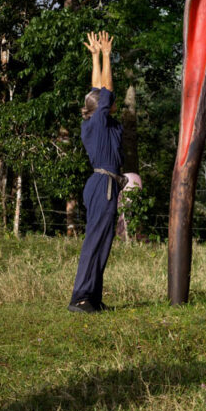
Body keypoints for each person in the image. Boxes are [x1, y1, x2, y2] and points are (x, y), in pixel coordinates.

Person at [67, 30, 126, 314]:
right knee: (94, 240)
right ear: (101, 107)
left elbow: (96, 92)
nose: (110, 99)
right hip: (102, 183)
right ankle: (80, 297)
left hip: (103, 184)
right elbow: (104, 92)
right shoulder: (100, 119)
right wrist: (106, 56)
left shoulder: (95, 121)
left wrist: (94, 58)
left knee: (103, 241)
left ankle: (91, 298)